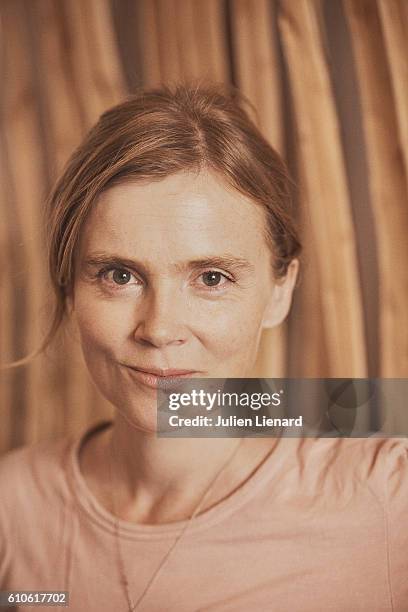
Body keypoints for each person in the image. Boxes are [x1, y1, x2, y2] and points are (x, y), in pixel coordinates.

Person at [0, 84, 407, 612]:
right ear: (69, 286)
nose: (160, 328)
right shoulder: (13, 505)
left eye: (211, 278)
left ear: (279, 291)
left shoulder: (387, 494)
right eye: (119, 275)